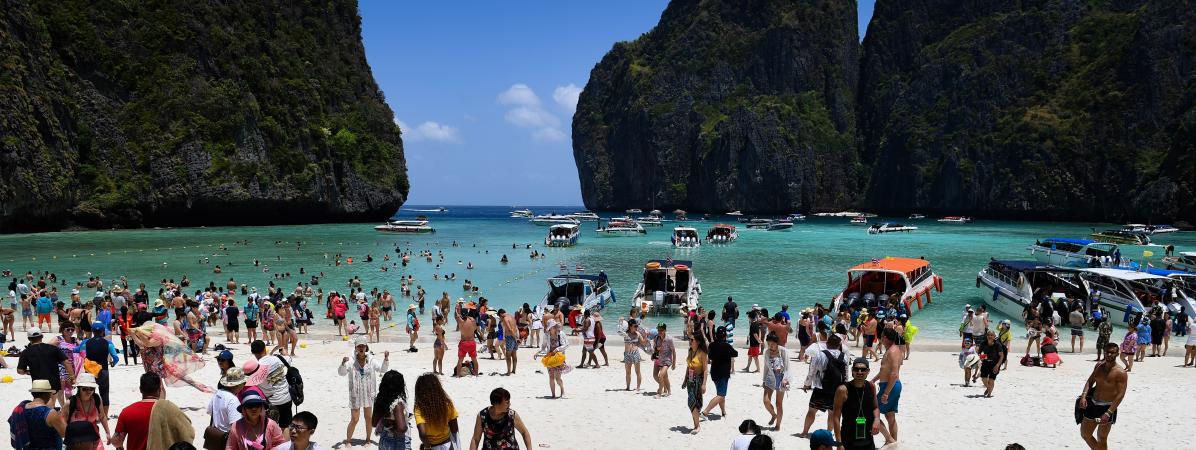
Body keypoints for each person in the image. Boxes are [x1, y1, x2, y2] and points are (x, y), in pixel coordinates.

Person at [114, 373, 195, 450]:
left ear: (140, 389)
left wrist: (120, 448)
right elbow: (188, 432)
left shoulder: (127, 411)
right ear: (160, 389)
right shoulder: (170, 408)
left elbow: (117, 441)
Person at [338, 336, 390, 447]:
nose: (361, 348)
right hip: (355, 394)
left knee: (368, 418)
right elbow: (341, 373)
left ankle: (368, 440)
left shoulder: (371, 360)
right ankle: (348, 440)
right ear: (356, 348)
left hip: (368, 394)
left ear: (366, 347)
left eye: (363, 346)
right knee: (355, 419)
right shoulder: (351, 361)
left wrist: (385, 359)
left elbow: (382, 369)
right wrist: (342, 363)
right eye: (359, 346)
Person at [1079, 342, 1128, 450]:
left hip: (1107, 407)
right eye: (1107, 352)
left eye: (1112, 352)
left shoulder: (1120, 372)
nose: (1109, 355)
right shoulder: (1099, 366)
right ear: (1104, 352)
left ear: (1117, 353)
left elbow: (1121, 394)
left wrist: (1108, 413)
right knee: (1085, 434)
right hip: (1093, 403)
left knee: (1102, 438)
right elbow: (1090, 381)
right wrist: (1083, 396)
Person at [801, 334, 850, 438]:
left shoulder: (820, 355)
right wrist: (845, 388)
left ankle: (805, 432)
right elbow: (846, 374)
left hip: (821, 388)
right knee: (832, 413)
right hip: (837, 389)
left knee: (812, 411)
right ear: (839, 345)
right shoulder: (844, 356)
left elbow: (812, 371)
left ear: (827, 344)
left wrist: (807, 384)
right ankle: (828, 433)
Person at [831, 357, 880, 450]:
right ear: (852, 371)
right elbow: (836, 417)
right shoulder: (843, 390)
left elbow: (875, 408)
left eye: (863, 370)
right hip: (848, 439)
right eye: (856, 369)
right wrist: (839, 443)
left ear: (868, 371)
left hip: (868, 438)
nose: (859, 372)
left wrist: (877, 420)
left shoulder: (871, 386)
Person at [16, 327, 72, 409]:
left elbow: (20, 371)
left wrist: (28, 372)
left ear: (29, 339)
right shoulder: (53, 348)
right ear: (42, 336)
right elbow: (67, 363)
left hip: (38, 383)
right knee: (51, 403)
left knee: (40, 403)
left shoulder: (26, 352)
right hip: (54, 381)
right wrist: (72, 377)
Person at [9, 379, 67, 450]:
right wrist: (62, 416)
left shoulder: (21, 409)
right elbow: (64, 433)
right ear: (47, 394)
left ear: (32, 393)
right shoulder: (50, 413)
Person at [468, 387, 532, 450]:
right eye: (507, 402)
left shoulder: (511, 415)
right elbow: (475, 439)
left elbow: (524, 432)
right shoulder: (483, 416)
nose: (509, 404)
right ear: (496, 404)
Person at [251, 340, 294, 427]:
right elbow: (289, 359)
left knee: (269, 429)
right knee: (285, 427)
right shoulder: (277, 358)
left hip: (272, 403)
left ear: (252, 352)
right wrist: (285, 353)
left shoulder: (256, 368)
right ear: (265, 349)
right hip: (286, 398)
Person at [871, 328, 902, 443]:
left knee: (872, 411)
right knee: (890, 415)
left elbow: (894, 374)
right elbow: (885, 370)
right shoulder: (893, 350)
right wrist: (874, 380)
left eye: (881, 337)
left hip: (890, 386)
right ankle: (893, 440)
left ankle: (890, 439)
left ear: (885, 338)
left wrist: (886, 393)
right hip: (892, 385)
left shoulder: (893, 351)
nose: (880, 339)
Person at [413, 373, 460, 450]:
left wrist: (427, 447)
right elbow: (454, 428)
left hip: (432, 446)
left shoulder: (419, 408)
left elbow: (423, 434)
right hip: (447, 444)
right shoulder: (447, 404)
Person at [67, 373, 111, 450]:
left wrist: (107, 433)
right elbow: (63, 421)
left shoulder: (97, 399)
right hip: (77, 442)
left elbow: (102, 416)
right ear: (79, 388)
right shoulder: (71, 403)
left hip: (94, 438)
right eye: (84, 389)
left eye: (91, 389)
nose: (88, 392)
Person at [207, 368, 248, 450]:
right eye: (243, 383)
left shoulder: (218, 393)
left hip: (215, 435)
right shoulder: (232, 400)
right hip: (227, 439)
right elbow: (236, 425)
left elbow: (210, 412)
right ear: (237, 385)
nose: (244, 385)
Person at [701, 326, 737, 418]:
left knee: (721, 393)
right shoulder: (727, 346)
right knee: (721, 395)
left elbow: (711, 357)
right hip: (723, 374)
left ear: (716, 335)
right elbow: (735, 353)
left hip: (714, 373)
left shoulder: (712, 345)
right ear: (725, 336)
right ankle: (705, 412)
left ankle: (723, 412)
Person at [371, 371, 410, 450]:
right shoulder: (397, 403)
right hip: (396, 441)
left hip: (383, 439)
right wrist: (405, 426)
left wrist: (386, 423)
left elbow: (374, 423)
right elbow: (402, 428)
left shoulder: (379, 400)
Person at [761, 333, 790, 431]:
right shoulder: (767, 352)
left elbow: (787, 367)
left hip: (782, 379)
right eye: (768, 343)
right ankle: (774, 415)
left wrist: (785, 379)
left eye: (772, 344)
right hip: (770, 378)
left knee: (778, 404)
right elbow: (765, 367)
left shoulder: (783, 351)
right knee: (766, 401)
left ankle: (778, 425)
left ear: (776, 343)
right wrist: (764, 380)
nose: (770, 346)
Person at [538, 320, 571, 398]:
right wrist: (539, 353)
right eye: (553, 327)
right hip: (550, 359)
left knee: (558, 378)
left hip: (559, 358)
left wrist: (557, 349)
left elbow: (567, 345)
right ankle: (553, 394)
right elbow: (543, 346)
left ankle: (562, 391)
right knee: (551, 377)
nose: (554, 328)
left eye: (554, 326)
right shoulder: (546, 335)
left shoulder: (561, 334)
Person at [683, 334, 709, 434]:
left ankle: (696, 426)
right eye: (689, 339)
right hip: (690, 381)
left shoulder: (702, 353)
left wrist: (704, 384)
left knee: (695, 403)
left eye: (692, 340)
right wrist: (684, 380)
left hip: (698, 381)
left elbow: (706, 370)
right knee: (691, 402)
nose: (690, 341)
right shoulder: (690, 351)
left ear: (698, 341)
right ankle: (696, 425)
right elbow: (688, 366)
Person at [621, 318, 648, 390]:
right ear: (630, 326)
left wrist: (646, 335)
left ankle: (638, 387)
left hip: (635, 353)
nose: (636, 327)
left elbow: (643, 343)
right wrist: (621, 321)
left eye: (637, 326)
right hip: (627, 354)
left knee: (637, 371)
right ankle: (628, 387)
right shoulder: (625, 334)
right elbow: (619, 330)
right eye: (635, 326)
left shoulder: (638, 334)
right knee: (628, 372)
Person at [979, 330, 1006, 397]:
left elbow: (1002, 356)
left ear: (994, 336)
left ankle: (989, 394)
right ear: (986, 336)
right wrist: (982, 357)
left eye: (991, 335)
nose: (990, 336)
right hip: (985, 362)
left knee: (991, 379)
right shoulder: (983, 343)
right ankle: (988, 388)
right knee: (983, 378)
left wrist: (997, 365)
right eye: (988, 335)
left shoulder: (997, 345)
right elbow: (980, 353)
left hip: (995, 364)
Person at [651, 323, 676, 398]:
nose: (659, 331)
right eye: (658, 330)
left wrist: (674, 363)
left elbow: (673, 351)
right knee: (663, 377)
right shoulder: (656, 338)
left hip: (667, 360)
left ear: (665, 330)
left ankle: (659, 393)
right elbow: (654, 349)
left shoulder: (669, 339)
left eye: (661, 330)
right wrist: (654, 355)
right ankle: (669, 391)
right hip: (659, 359)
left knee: (661, 375)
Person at [500, 309, 519, 375]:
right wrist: (516, 337)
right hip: (515, 335)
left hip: (510, 337)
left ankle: (508, 372)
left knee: (508, 355)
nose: (500, 318)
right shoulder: (512, 317)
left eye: (500, 317)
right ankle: (513, 370)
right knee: (514, 354)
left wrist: (514, 337)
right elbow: (515, 328)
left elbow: (510, 329)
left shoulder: (505, 318)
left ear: (501, 314)